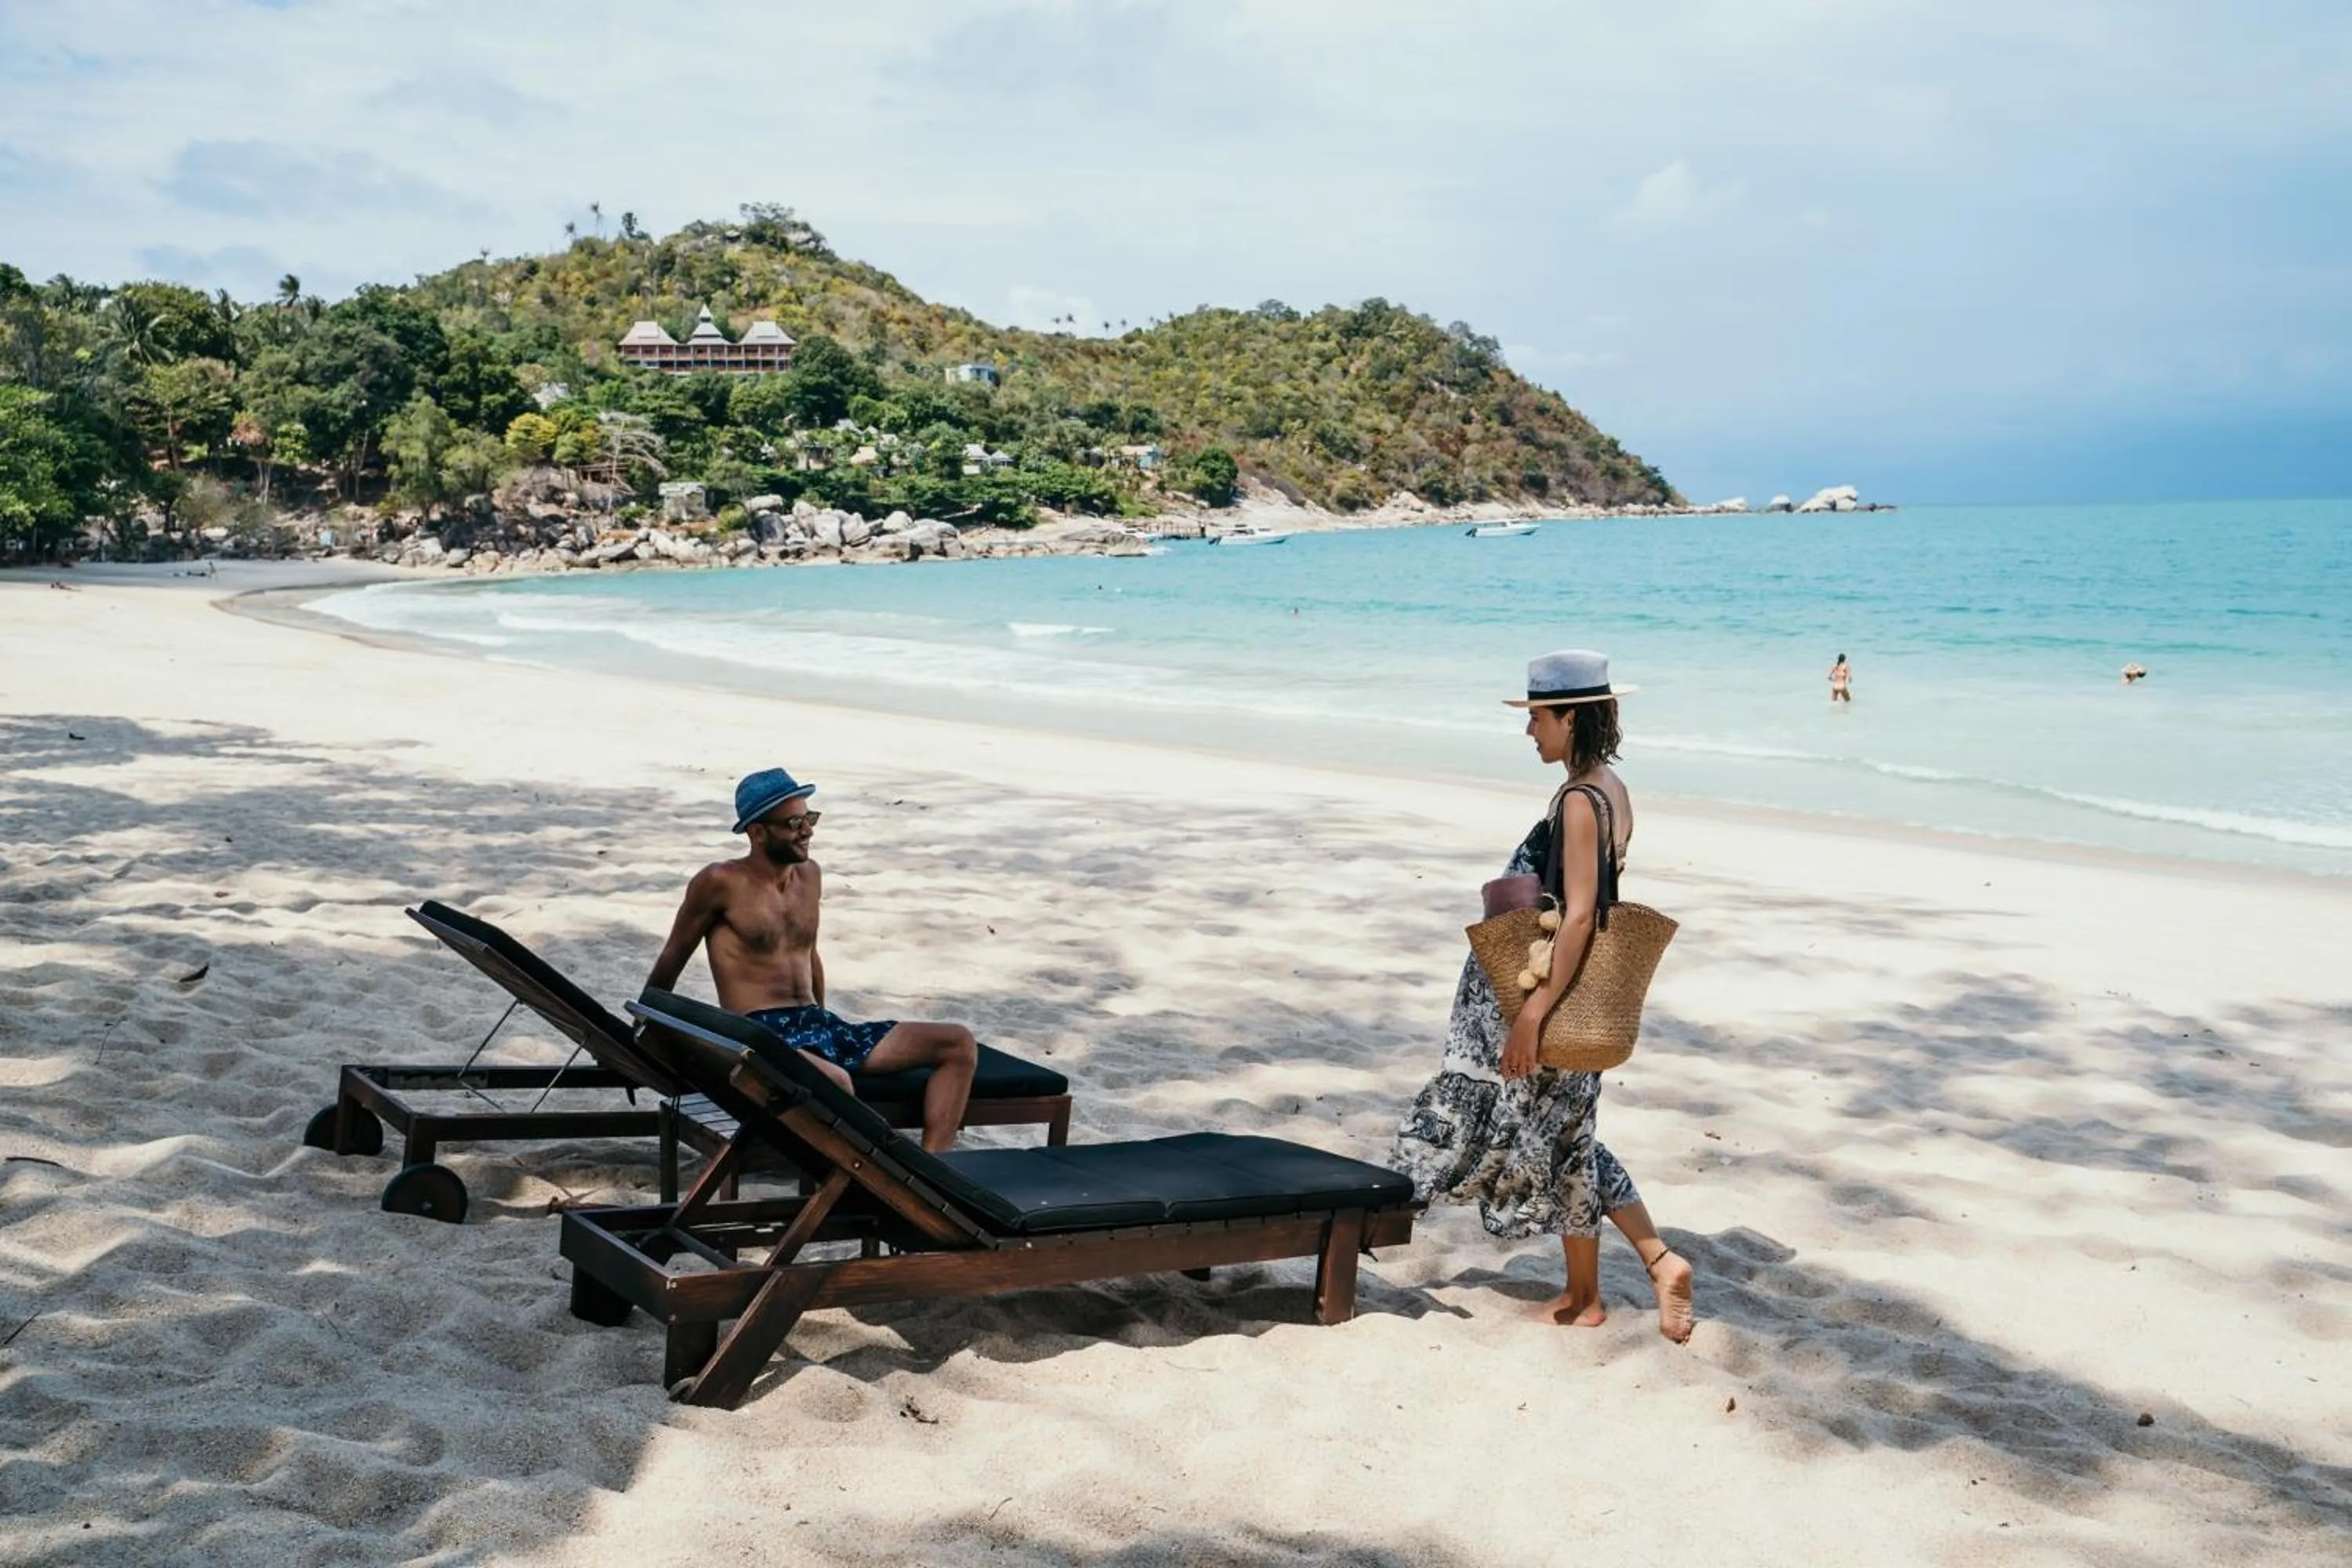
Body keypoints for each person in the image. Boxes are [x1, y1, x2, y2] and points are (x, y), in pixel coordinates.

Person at [1394, 650, 1697, 1342]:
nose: (1529, 731)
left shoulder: (1578, 802)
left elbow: (1582, 913)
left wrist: (1531, 1012)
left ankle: (1603, 1288)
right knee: (1570, 1137)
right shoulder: (1610, 787)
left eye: (1537, 718)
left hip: (1550, 992)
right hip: (1573, 993)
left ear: (1572, 717)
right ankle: (1641, 1267)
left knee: (1553, 1139)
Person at [644, 767, 980, 1151]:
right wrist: (647, 1028)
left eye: (810, 818)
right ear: (757, 832)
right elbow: (673, 957)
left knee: (957, 1042)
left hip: (818, 1023)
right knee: (836, 1083)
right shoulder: (720, 882)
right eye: (793, 823)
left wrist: (822, 1014)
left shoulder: (810, 875)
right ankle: (873, 1178)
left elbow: (809, 954)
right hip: (764, 1034)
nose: (807, 831)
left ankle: (933, 1175)